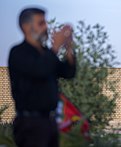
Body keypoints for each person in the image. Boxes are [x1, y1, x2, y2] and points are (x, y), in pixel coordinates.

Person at [8, 7, 76, 147]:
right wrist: (56, 47)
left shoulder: (45, 53)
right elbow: (40, 70)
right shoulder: (19, 52)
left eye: (45, 23)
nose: (46, 27)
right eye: (41, 23)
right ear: (26, 27)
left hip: (49, 121)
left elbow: (68, 72)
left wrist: (68, 47)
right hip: (30, 124)